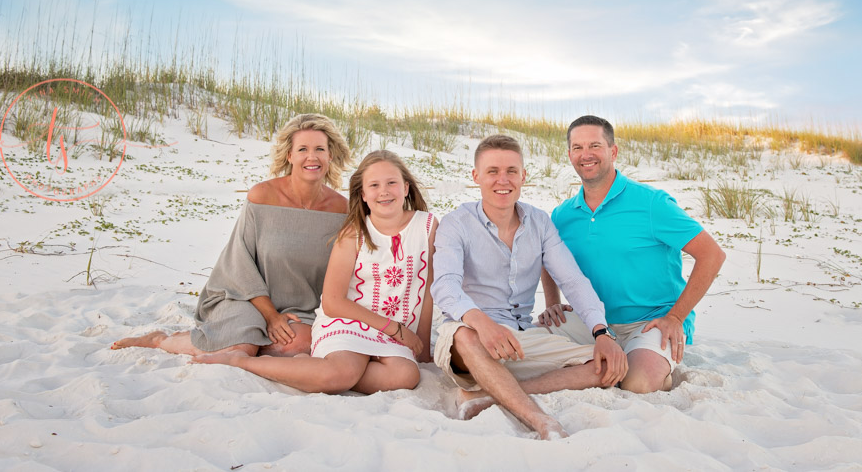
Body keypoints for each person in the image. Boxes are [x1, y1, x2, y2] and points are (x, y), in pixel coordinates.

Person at [192, 150, 437, 395]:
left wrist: (423, 346)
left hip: (394, 333)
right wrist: (394, 329)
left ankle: (309, 369)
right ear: (363, 194)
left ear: (406, 188)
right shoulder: (354, 233)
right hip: (350, 321)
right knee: (342, 373)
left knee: (406, 375)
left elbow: (426, 289)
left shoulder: (426, 226)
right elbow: (332, 302)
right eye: (374, 185)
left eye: (391, 183)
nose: (384, 191)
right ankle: (242, 361)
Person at [431, 134, 625, 440]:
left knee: (605, 365)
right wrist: (482, 322)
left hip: (520, 339)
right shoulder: (456, 223)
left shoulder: (540, 222)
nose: (502, 180)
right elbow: (444, 285)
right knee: (465, 335)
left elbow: (572, 280)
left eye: (511, 171)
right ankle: (539, 419)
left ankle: (490, 395)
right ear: (476, 176)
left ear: (524, 176)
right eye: (492, 171)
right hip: (466, 339)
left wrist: (601, 331)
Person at [111, 113, 350, 358]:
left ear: (330, 155)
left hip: (300, 306)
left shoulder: (342, 210)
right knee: (239, 348)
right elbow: (240, 263)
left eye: (320, 149)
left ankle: (240, 338)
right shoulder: (263, 197)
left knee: (298, 345)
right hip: (243, 296)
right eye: (302, 149)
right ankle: (161, 340)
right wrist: (270, 316)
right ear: (289, 155)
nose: (312, 157)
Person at [539, 115, 726, 394]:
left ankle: (644, 365)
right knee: (523, 351)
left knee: (637, 383)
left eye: (595, 146)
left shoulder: (651, 203)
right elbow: (546, 256)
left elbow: (712, 255)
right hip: (593, 322)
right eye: (577, 148)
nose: (586, 154)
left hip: (652, 321)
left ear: (613, 151)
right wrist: (552, 301)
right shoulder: (562, 214)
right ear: (569, 155)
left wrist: (676, 318)